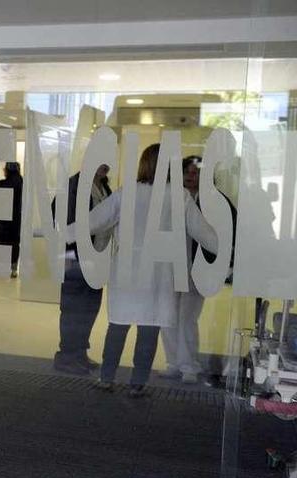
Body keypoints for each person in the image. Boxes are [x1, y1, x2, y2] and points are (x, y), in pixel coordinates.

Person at [67, 144, 218, 397]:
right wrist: (230, 248)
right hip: (159, 273)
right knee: (150, 327)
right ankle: (137, 383)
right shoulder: (179, 196)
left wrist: (61, 233)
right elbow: (202, 232)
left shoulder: (127, 193)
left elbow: (94, 221)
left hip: (127, 269)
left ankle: (107, 377)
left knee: (118, 326)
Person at [160, 155, 237, 384]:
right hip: (170, 267)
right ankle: (173, 363)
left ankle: (189, 366)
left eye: (196, 173)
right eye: (187, 172)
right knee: (167, 316)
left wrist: (225, 262)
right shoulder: (169, 197)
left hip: (199, 269)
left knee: (187, 318)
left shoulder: (216, 200)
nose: (191, 177)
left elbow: (230, 232)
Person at [53, 164, 112, 376]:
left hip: (95, 258)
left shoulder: (104, 186)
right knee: (72, 308)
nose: (105, 166)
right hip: (75, 257)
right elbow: (64, 222)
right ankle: (67, 356)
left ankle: (78, 354)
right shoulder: (72, 186)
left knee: (88, 307)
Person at [0, 162, 23, 278]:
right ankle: (14, 268)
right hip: (17, 217)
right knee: (15, 243)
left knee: (3, 242)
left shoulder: (2, 184)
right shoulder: (23, 183)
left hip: (4, 217)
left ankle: (3, 267)